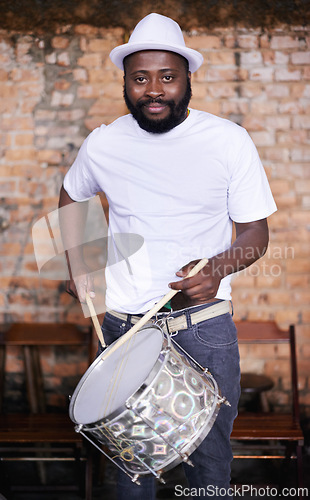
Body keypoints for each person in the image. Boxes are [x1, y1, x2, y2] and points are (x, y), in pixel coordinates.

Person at [59, 12, 277, 499]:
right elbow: (72, 194)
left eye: (166, 76)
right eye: (140, 78)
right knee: (131, 469)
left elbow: (256, 233)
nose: (153, 89)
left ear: (186, 79)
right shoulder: (104, 143)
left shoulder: (227, 141)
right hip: (123, 328)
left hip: (200, 329)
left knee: (209, 466)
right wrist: (81, 262)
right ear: (126, 83)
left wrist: (218, 268)